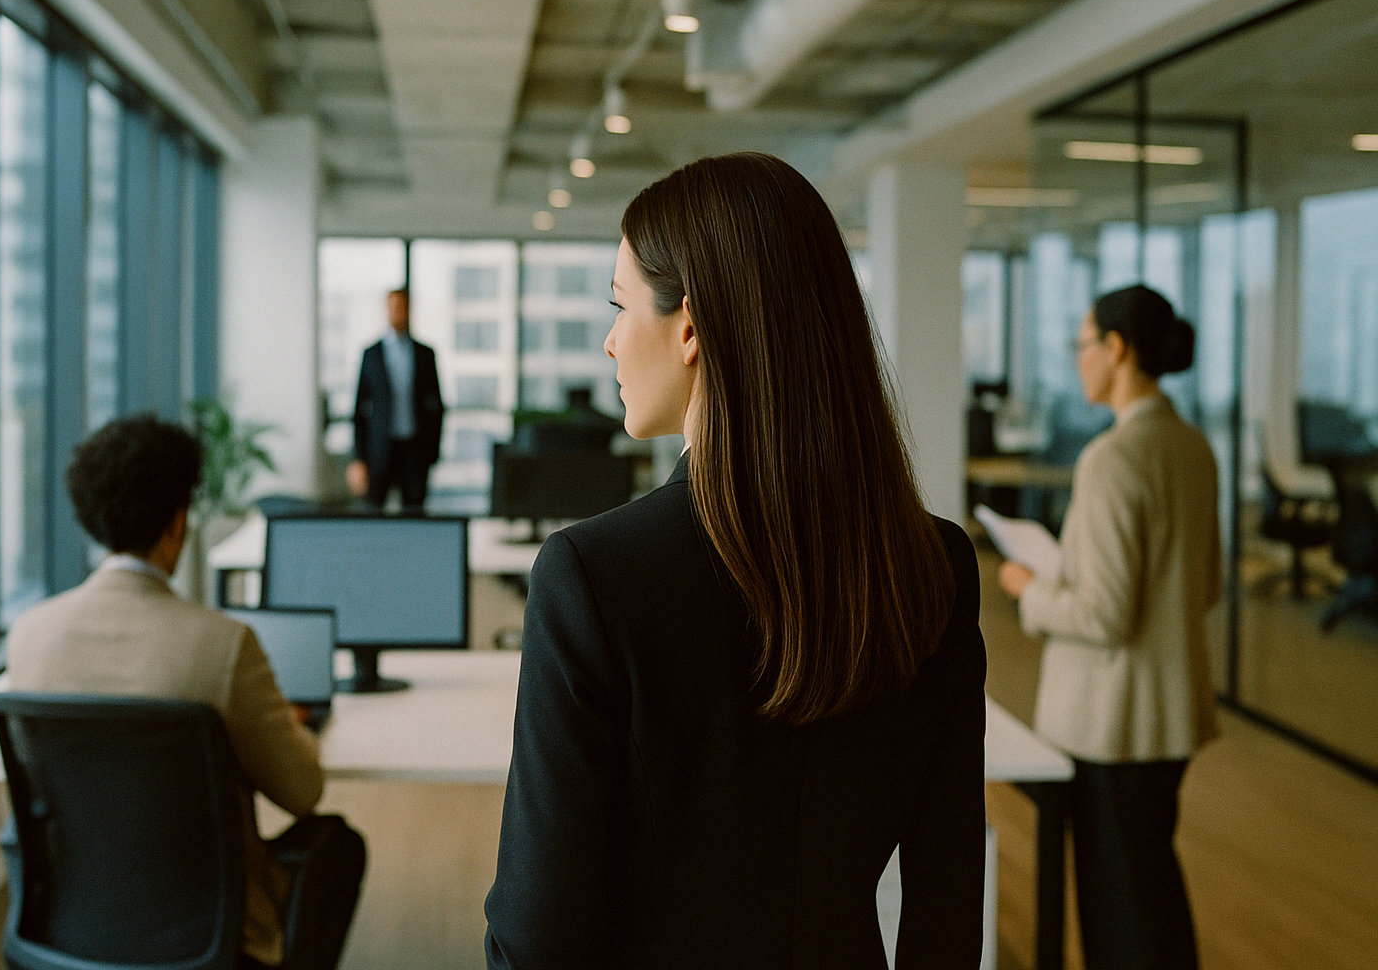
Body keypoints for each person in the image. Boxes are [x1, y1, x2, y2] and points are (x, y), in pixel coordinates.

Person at [484, 153, 987, 968]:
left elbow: (536, 935)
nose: (611, 342)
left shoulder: (591, 575)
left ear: (691, 327)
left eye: (620, 306)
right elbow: (948, 900)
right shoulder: (937, 564)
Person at [7, 414, 365, 969]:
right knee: (338, 844)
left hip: (74, 924)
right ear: (177, 522)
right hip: (216, 941)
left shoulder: (30, 637)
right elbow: (302, 791)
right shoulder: (222, 646)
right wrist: (291, 726)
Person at [998, 284, 1220, 970]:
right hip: (1170, 717)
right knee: (1150, 888)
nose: (1078, 360)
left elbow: (1103, 613)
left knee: (1119, 913)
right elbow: (1204, 587)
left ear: (1116, 350)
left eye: (1083, 344)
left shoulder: (1112, 458)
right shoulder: (1191, 447)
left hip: (1113, 724)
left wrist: (1031, 590)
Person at [346, 287, 444, 512]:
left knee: (414, 514)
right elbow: (359, 410)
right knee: (374, 513)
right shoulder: (371, 354)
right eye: (392, 307)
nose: (397, 312)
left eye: (401, 307)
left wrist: (433, 451)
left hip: (415, 449)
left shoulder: (424, 354)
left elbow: (437, 406)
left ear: (409, 310)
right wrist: (358, 458)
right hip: (380, 450)